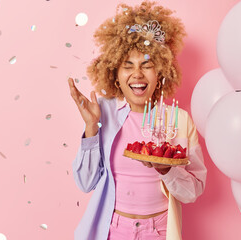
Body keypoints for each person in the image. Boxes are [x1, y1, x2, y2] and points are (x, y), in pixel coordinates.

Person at [68, 1, 207, 240]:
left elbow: (193, 191)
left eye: (147, 65)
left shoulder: (180, 120)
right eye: (127, 66)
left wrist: (167, 171)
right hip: (112, 229)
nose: (137, 74)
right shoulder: (103, 114)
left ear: (161, 71)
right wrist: (91, 128)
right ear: (115, 74)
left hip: (160, 231)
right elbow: (85, 183)